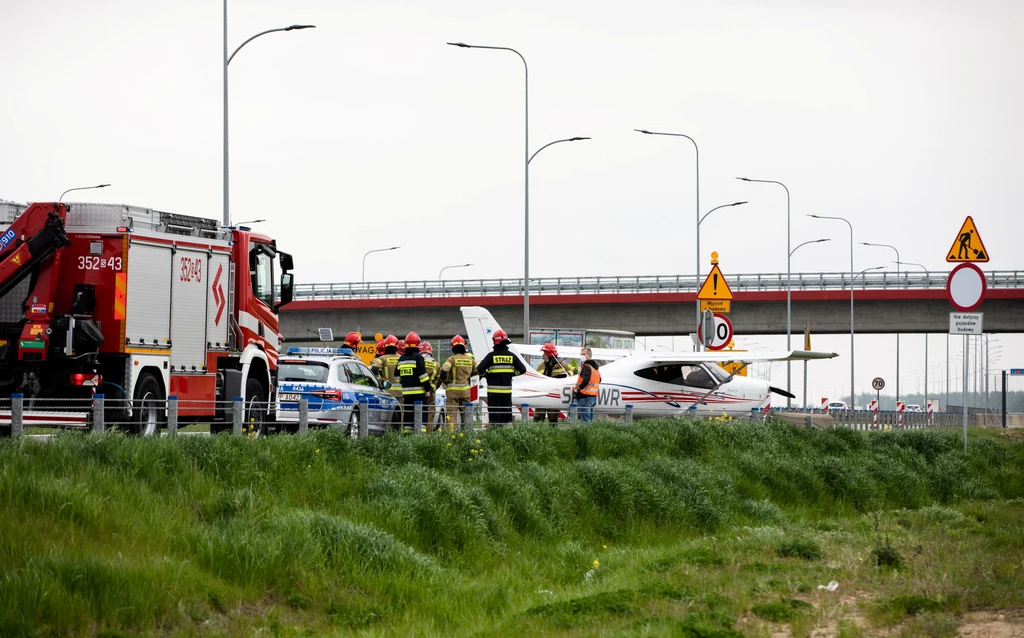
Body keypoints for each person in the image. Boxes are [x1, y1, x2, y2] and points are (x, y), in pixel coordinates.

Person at [476, 329, 526, 427]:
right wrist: (511, 373)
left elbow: (479, 369)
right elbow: (522, 369)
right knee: (506, 414)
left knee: (494, 415)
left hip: (493, 392)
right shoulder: (512, 356)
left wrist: (487, 376)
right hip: (506, 393)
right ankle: (506, 436)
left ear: (495, 341)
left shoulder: (491, 356)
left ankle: (495, 436)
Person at [395, 332, 433, 431]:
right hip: (419, 394)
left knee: (408, 416)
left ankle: (407, 437)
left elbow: (396, 375)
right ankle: (420, 439)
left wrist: (404, 382)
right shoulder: (418, 357)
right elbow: (423, 376)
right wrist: (428, 389)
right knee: (421, 416)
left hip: (406, 394)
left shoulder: (401, 358)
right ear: (417, 344)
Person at [441, 334, 477, 429]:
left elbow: (444, 371)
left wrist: (446, 382)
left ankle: (452, 438)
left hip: (452, 392)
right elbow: (479, 372)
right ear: (464, 346)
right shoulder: (471, 360)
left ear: (453, 346)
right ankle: (466, 436)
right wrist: (469, 381)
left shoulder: (451, 359)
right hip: (466, 392)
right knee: (466, 416)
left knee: (452, 416)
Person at [534, 343, 572, 424]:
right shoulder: (541, 366)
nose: (543, 355)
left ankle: (553, 434)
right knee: (537, 418)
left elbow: (574, 371)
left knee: (553, 418)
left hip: (554, 396)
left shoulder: (562, 365)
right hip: (542, 395)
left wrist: (563, 376)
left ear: (550, 354)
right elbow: (535, 377)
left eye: (544, 353)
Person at [372, 334, 403, 426]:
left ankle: (387, 434)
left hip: (387, 391)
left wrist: (380, 381)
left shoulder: (382, 358)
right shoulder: (401, 358)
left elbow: (373, 370)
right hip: (401, 392)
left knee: (385, 415)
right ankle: (400, 433)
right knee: (401, 414)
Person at [574, 347, 601, 423]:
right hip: (593, 397)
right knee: (591, 420)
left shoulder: (586, 366)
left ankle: (585, 434)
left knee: (585, 421)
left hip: (585, 396)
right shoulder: (595, 367)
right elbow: (600, 379)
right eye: (581, 354)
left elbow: (586, 380)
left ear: (589, 355)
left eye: (584, 354)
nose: (582, 356)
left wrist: (578, 388)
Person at [420, 340, 441, 431]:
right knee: (430, 413)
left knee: (416, 411)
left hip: (418, 391)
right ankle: (427, 435)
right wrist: (434, 388)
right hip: (431, 393)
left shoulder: (418, 361)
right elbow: (440, 379)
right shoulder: (436, 364)